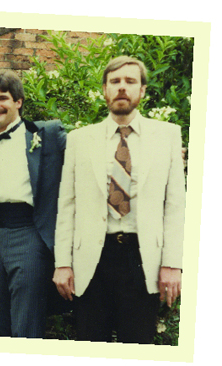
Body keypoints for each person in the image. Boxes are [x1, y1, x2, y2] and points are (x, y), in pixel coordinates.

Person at [53, 56, 185, 343]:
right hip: (91, 261)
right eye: (115, 82)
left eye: (130, 81)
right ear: (104, 90)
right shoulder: (79, 139)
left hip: (142, 259)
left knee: (137, 347)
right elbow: (67, 205)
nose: (122, 88)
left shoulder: (168, 136)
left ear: (143, 91)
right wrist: (62, 262)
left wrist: (172, 263)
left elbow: (175, 205)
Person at [0, 69, 66, 338]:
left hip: (28, 233)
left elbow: (89, 151)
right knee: (1, 323)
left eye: (3, 98)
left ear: (18, 102)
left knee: (26, 323)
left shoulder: (46, 134)